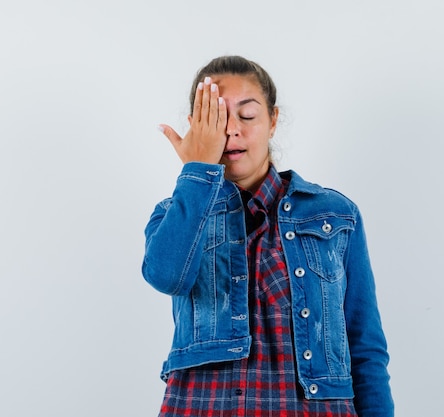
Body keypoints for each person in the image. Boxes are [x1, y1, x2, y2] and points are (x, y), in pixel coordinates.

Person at [142, 55, 394, 417]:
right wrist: (196, 171)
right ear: (197, 128)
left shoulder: (336, 215)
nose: (231, 130)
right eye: (215, 118)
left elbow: (365, 348)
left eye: (246, 115)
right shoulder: (174, 214)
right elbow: (166, 275)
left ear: (273, 120)